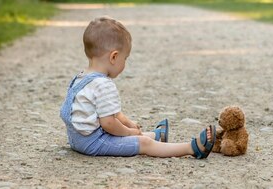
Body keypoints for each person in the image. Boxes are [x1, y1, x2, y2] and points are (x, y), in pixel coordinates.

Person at [59, 16, 215, 159]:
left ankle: (155, 135)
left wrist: (129, 123)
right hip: (91, 142)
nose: (125, 63)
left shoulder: (82, 77)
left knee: (133, 135)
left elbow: (111, 112)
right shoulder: (103, 84)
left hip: (77, 138)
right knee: (144, 145)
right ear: (114, 57)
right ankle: (192, 148)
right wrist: (128, 132)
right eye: (125, 58)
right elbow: (108, 124)